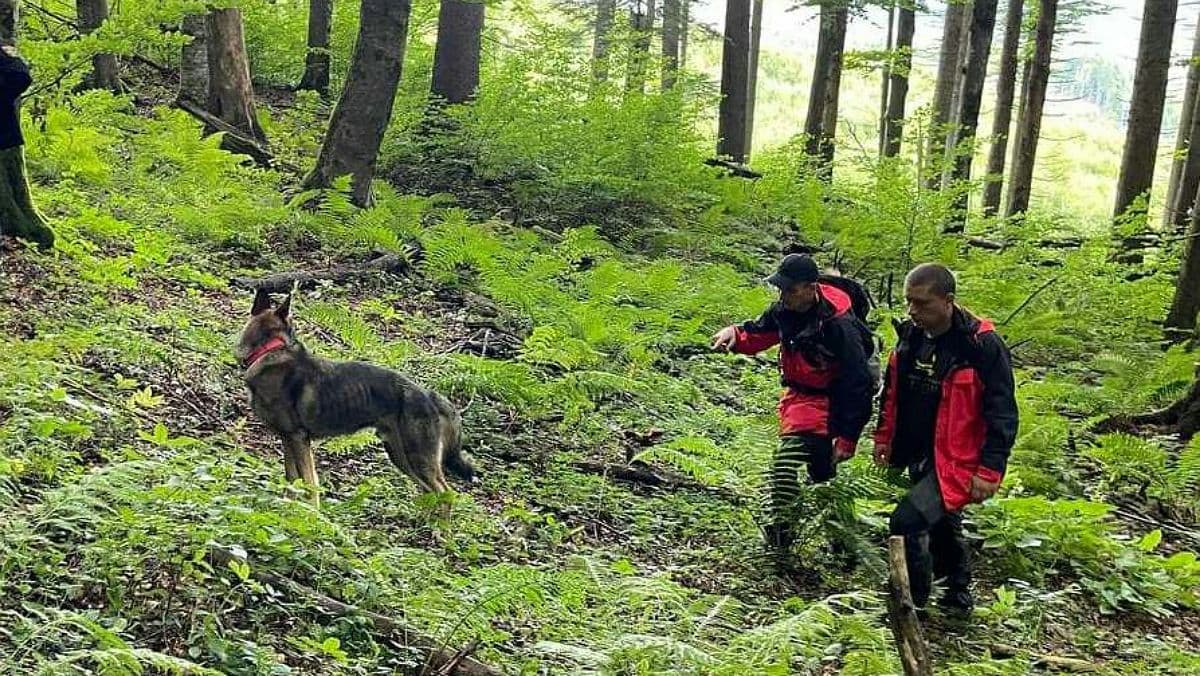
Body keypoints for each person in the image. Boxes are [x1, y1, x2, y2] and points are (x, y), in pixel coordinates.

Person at [872, 263, 1018, 614]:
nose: (913, 311)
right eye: (909, 302)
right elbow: (892, 391)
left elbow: (1003, 413)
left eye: (922, 303)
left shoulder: (981, 345)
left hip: (959, 459)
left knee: (906, 521)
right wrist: (884, 437)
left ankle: (911, 604)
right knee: (940, 522)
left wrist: (990, 469)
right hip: (920, 451)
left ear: (948, 301)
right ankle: (957, 595)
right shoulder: (911, 336)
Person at [712, 254, 874, 557]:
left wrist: (849, 437)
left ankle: (786, 542)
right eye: (781, 289)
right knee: (821, 475)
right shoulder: (786, 309)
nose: (782, 295)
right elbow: (759, 332)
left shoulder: (840, 325)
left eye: (789, 290)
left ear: (811, 288)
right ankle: (834, 546)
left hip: (831, 404)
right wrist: (732, 334)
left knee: (790, 466)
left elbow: (858, 383)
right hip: (798, 398)